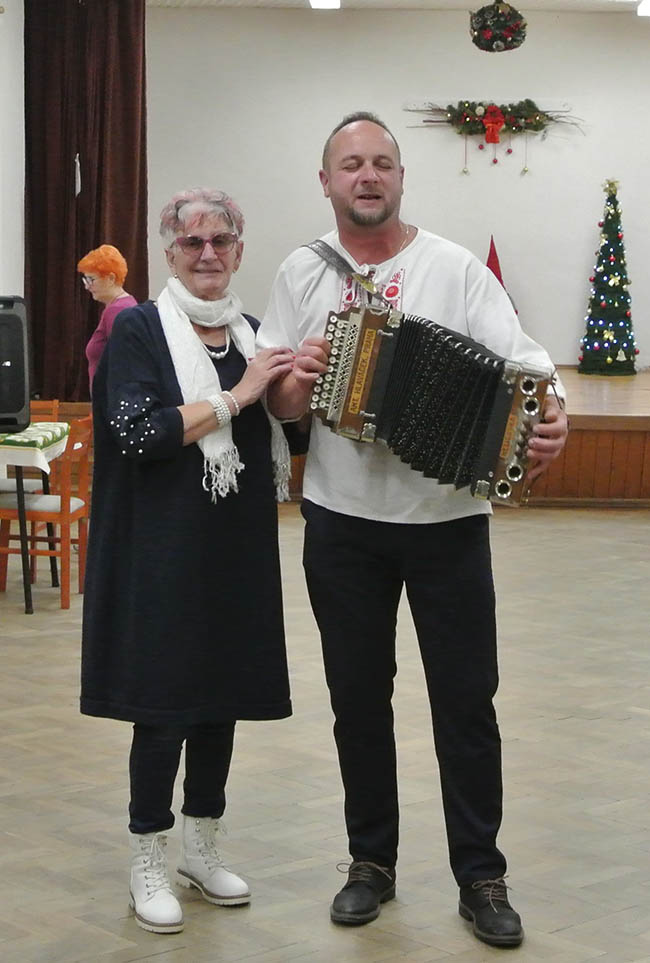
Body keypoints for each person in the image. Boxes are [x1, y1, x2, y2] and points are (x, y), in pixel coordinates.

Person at [258, 112, 569, 949]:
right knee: (358, 701)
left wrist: (556, 417)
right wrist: (299, 382)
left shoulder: (454, 268)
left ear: (400, 177)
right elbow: (279, 402)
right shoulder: (299, 271)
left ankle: (482, 875)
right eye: (351, 164)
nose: (368, 176)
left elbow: (529, 364)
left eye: (382, 163)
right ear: (326, 181)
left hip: (447, 525)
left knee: (466, 703)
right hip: (341, 522)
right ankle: (371, 861)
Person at [81, 188, 294, 935]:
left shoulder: (254, 334)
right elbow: (139, 433)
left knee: (219, 701)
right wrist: (240, 395)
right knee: (163, 708)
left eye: (221, 240)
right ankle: (148, 856)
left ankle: (202, 849)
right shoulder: (138, 329)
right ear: (168, 253)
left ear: (239, 250)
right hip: (158, 552)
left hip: (233, 553)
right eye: (192, 242)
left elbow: (290, 433)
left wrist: (299, 384)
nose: (208, 253)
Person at [77, 244, 138, 388]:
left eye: (91, 280)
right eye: (85, 280)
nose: (87, 286)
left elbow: (122, 364)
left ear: (111, 278)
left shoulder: (117, 310)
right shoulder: (122, 305)